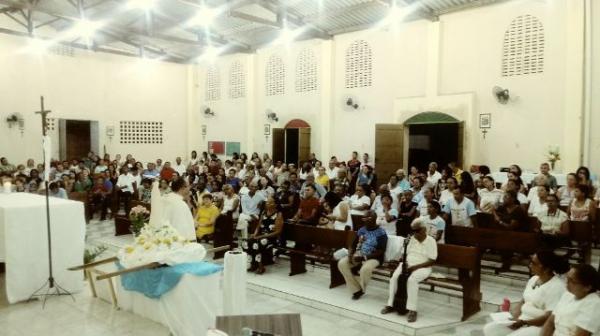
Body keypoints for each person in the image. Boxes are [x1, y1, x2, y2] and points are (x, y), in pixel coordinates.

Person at [483, 250, 569, 336]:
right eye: (530, 262)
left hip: (539, 326)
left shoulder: (557, 287)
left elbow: (549, 317)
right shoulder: (533, 279)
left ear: (546, 269)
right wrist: (514, 318)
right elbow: (523, 301)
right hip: (522, 320)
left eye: (534, 263)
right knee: (490, 329)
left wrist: (525, 323)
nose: (530, 265)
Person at [381, 218, 437, 323]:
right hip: (407, 264)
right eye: (413, 231)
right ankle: (390, 304)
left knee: (412, 280)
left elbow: (432, 261)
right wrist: (404, 261)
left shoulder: (431, 241)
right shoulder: (411, 239)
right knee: (394, 278)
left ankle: (412, 310)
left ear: (424, 229)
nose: (414, 233)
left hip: (423, 267)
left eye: (417, 230)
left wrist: (415, 267)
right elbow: (403, 254)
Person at [337, 212, 387, 300]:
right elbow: (353, 244)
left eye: (366, 219)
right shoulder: (362, 230)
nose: (364, 221)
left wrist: (364, 258)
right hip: (359, 254)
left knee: (365, 269)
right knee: (342, 263)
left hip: (374, 257)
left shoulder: (381, 232)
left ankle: (362, 289)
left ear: (372, 220)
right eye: (363, 219)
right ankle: (356, 290)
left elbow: (381, 250)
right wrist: (350, 254)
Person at [540, 264, 600, 336]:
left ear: (587, 287)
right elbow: (550, 323)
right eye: (567, 278)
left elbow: (581, 334)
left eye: (572, 281)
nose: (566, 283)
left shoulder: (594, 304)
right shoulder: (568, 294)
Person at [243, 196, 284, 274]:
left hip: (272, 238)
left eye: (269, 202)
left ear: (275, 204)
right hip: (262, 236)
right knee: (247, 242)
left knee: (257, 243)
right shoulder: (264, 212)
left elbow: (278, 232)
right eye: (267, 202)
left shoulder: (279, 214)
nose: (267, 204)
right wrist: (254, 234)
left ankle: (260, 266)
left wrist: (262, 236)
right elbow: (258, 226)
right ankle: (253, 264)